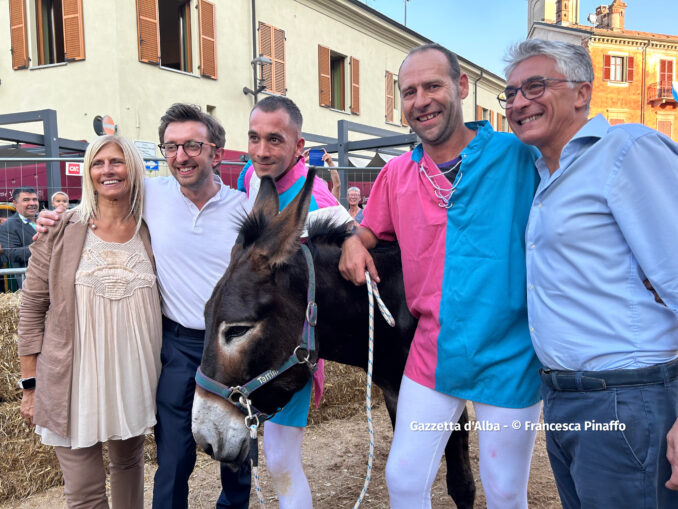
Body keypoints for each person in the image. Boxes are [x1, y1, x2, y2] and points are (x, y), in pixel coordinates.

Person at [339, 43, 542, 508]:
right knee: (405, 479)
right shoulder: (396, 174)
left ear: (462, 87)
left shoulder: (517, 156)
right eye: (409, 91)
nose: (421, 100)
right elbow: (371, 227)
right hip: (433, 354)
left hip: (508, 353)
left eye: (433, 86)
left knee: (506, 490)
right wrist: (354, 239)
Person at [37, 104, 252, 509]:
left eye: (192, 145)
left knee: (234, 451)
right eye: (171, 147)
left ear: (217, 153)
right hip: (178, 344)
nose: (181, 156)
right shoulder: (150, 193)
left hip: (231, 346)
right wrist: (56, 219)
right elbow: (103, 197)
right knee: (172, 456)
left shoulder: (244, 209)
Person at [503, 39, 678, 509]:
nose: (519, 102)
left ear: (582, 93)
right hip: (566, 396)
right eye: (512, 92)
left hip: (627, 397)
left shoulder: (626, 151)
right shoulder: (544, 175)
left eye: (535, 86)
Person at [18, 135, 160, 508]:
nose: (107, 170)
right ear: (87, 171)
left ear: (133, 168)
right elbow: (31, 307)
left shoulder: (152, 227)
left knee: (129, 464)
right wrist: (30, 385)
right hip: (73, 379)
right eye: (98, 163)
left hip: (132, 375)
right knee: (84, 492)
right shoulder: (60, 229)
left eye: (117, 161)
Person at [239, 95, 352, 508]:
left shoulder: (320, 204)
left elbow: (360, 252)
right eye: (254, 138)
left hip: (289, 350)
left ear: (298, 145)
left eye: (274, 140)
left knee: (281, 459)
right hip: (249, 340)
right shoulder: (250, 177)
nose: (261, 151)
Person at [0, 187, 39, 288]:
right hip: (32, 283)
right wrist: (43, 248)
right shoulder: (9, 225)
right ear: (15, 203)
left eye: (34, 199)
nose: (32, 203)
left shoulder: (46, 220)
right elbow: (12, 253)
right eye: (26, 200)